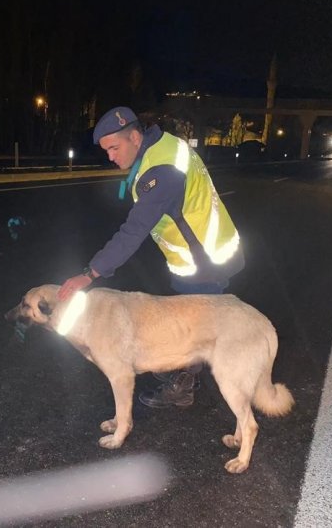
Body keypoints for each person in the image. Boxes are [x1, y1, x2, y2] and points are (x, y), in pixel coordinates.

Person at [58, 106, 245, 408]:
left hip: (204, 260)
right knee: (187, 323)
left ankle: (184, 386)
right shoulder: (163, 146)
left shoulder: (161, 173)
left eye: (114, 148)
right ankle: (183, 370)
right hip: (200, 252)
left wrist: (90, 273)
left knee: (192, 331)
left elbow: (133, 231)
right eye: (106, 151)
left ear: (134, 136)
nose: (110, 156)